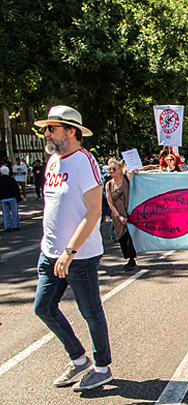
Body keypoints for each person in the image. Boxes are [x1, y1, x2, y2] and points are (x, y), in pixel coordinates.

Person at [32, 105, 112, 391]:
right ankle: (79, 359)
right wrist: (53, 248)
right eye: (46, 129)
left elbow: (93, 212)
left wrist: (70, 251)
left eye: (51, 128)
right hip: (50, 253)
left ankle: (102, 367)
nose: (46, 134)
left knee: (90, 312)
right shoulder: (53, 161)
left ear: (71, 131)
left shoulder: (84, 161)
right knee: (43, 307)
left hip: (79, 255)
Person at [105, 158, 137, 270]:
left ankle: (131, 259)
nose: (111, 171)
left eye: (114, 168)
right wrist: (119, 216)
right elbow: (110, 202)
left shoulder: (126, 179)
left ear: (119, 169)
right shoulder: (108, 184)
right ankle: (128, 257)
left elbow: (135, 179)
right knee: (122, 238)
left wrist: (135, 172)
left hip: (130, 213)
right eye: (109, 169)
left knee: (130, 237)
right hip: (118, 215)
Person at [0, 165, 21, 231]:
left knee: (5, 213)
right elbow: (15, 188)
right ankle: (15, 225)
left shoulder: (0, 180)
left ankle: (7, 226)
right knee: (14, 212)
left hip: (3, 198)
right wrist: (18, 197)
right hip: (11, 197)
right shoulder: (11, 179)